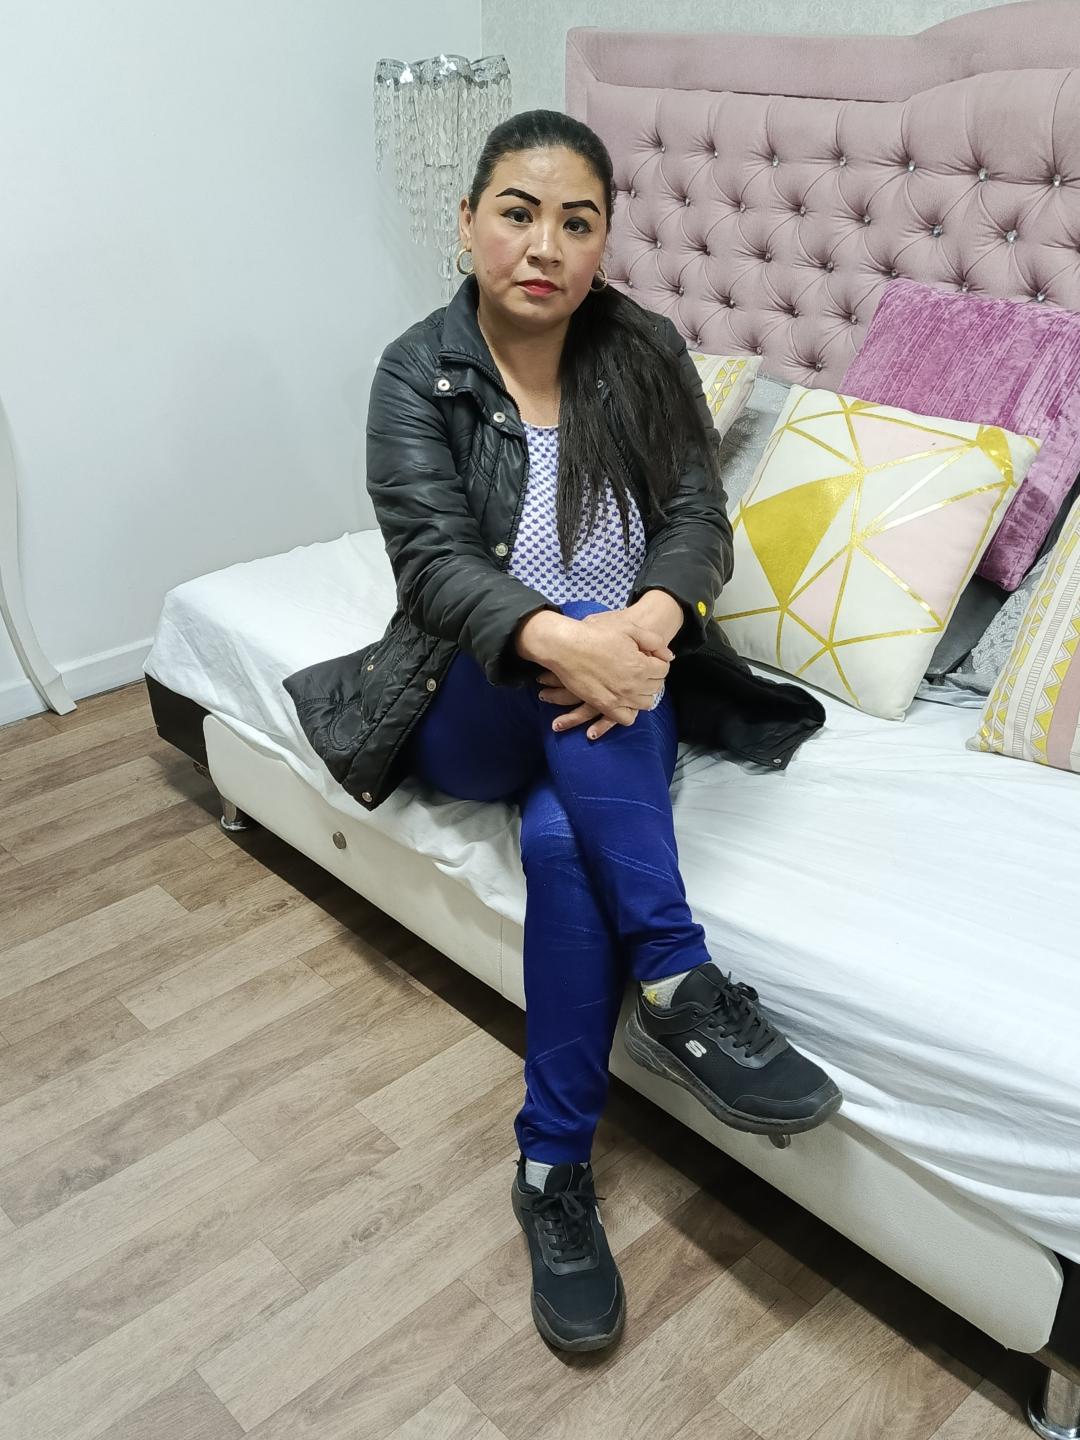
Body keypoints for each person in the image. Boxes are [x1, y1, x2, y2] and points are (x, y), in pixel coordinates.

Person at [317, 109, 841, 1353]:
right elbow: (436, 566)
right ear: (469, 223)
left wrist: (645, 627)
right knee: (564, 698)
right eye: (517, 212)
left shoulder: (642, 349)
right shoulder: (416, 372)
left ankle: (551, 1169)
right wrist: (572, 644)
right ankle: (679, 975)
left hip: (630, 677)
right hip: (470, 696)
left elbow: (697, 519)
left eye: (576, 221)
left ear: (604, 241)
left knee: (565, 846)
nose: (544, 245)